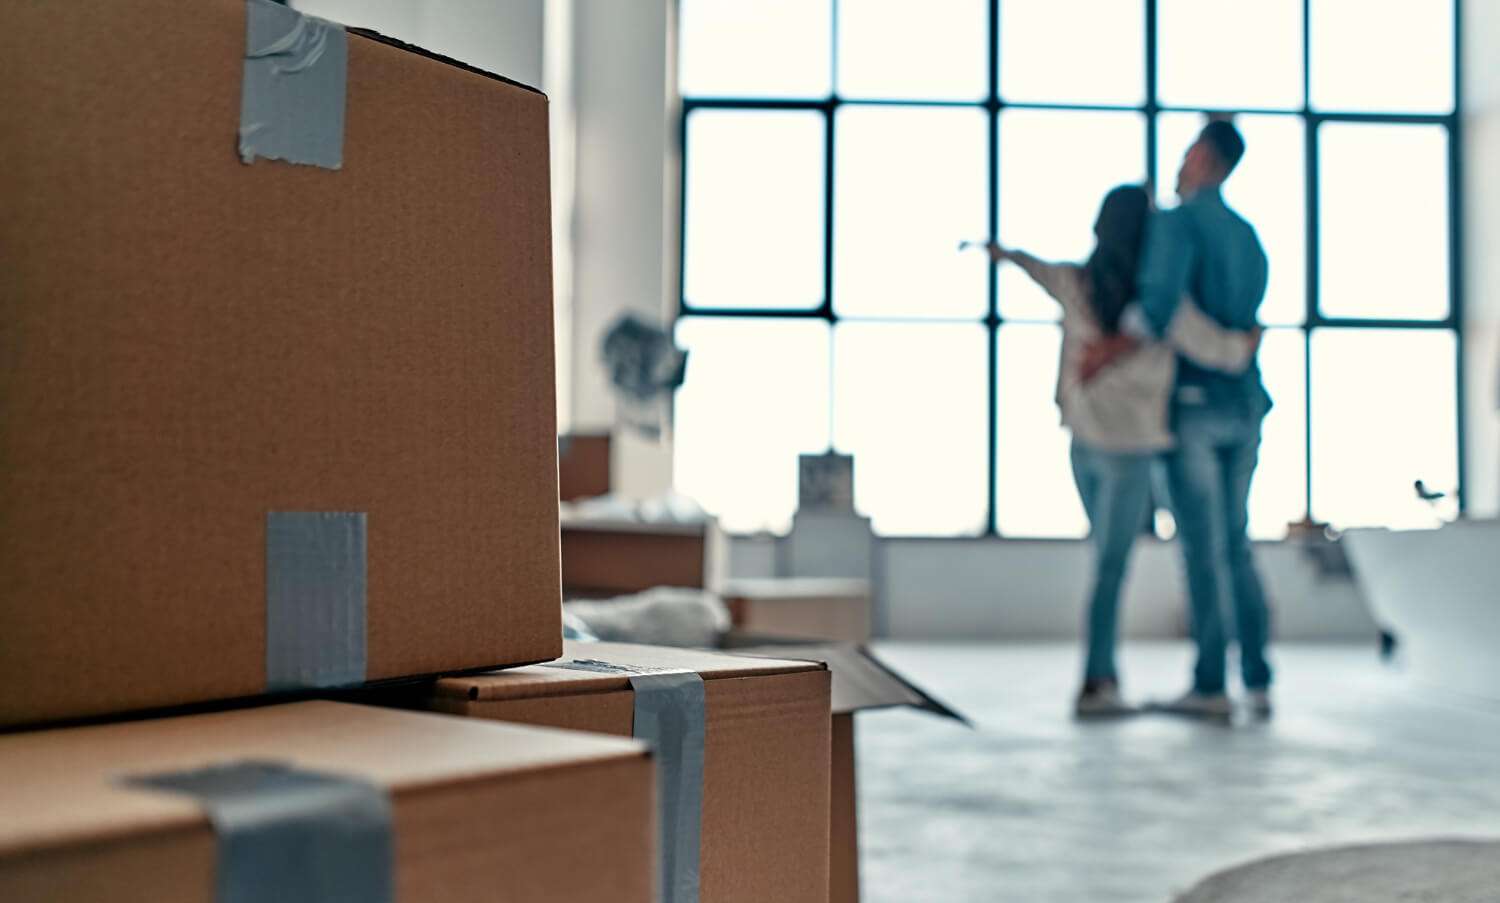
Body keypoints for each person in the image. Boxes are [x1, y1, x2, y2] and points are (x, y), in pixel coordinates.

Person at [989, 184, 1260, 718]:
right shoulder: (1158, 303)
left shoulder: (1076, 284)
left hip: (1085, 445)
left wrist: (1001, 254)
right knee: (1117, 568)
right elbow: (1210, 346)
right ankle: (1100, 683)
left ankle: (1100, 679)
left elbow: (1034, 268)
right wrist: (1246, 345)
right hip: (1130, 451)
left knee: (1106, 566)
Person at [1082, 120, 1274, 721]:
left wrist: (1105, 351)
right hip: (1247, 404)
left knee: (1202, 548)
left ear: (1204, 156)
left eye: (1188, 149)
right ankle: (1258, 679)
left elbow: (1157, 310)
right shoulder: (1247, 236)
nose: (1180, 160)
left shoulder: (1176, 222)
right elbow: (1248, 329)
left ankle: (1210, 684)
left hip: (1192, 407)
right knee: (1236, 544)